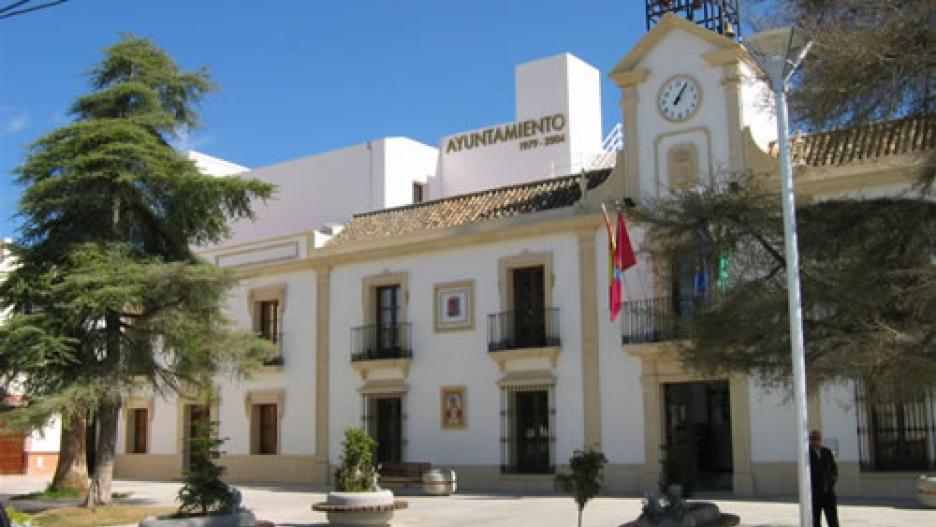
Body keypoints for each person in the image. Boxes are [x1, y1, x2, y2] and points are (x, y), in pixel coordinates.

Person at [809, 429, 840, 527]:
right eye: (813, 438)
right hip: (815, 494)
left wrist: (831, 483)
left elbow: (834, 470)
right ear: (810, 440)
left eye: (817, 438)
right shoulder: (806, 454)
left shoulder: (827, 452)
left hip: (828, 493)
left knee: (833, 520)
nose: (816, 440)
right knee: (815, 520)